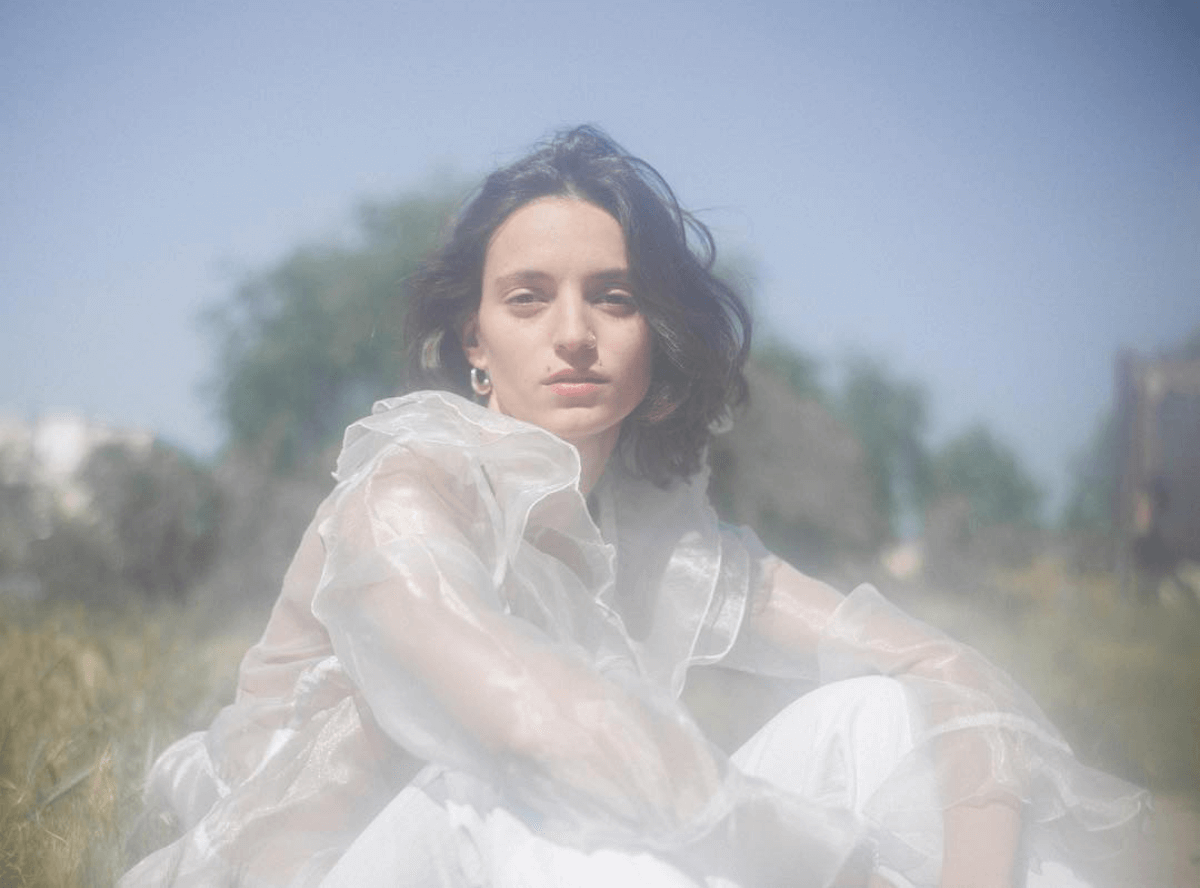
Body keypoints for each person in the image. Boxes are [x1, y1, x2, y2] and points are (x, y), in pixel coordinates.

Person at [121, 126, 1149, 888]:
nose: (574, 333)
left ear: (653, 330)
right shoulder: (407, 491)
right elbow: (531, 728)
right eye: (528, 298)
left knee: (877, 718)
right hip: (349, 861)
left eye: (612, 297)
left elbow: (936, 668)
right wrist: (841, 866)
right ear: (472, 342)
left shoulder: (662, 536)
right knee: (528, 801)